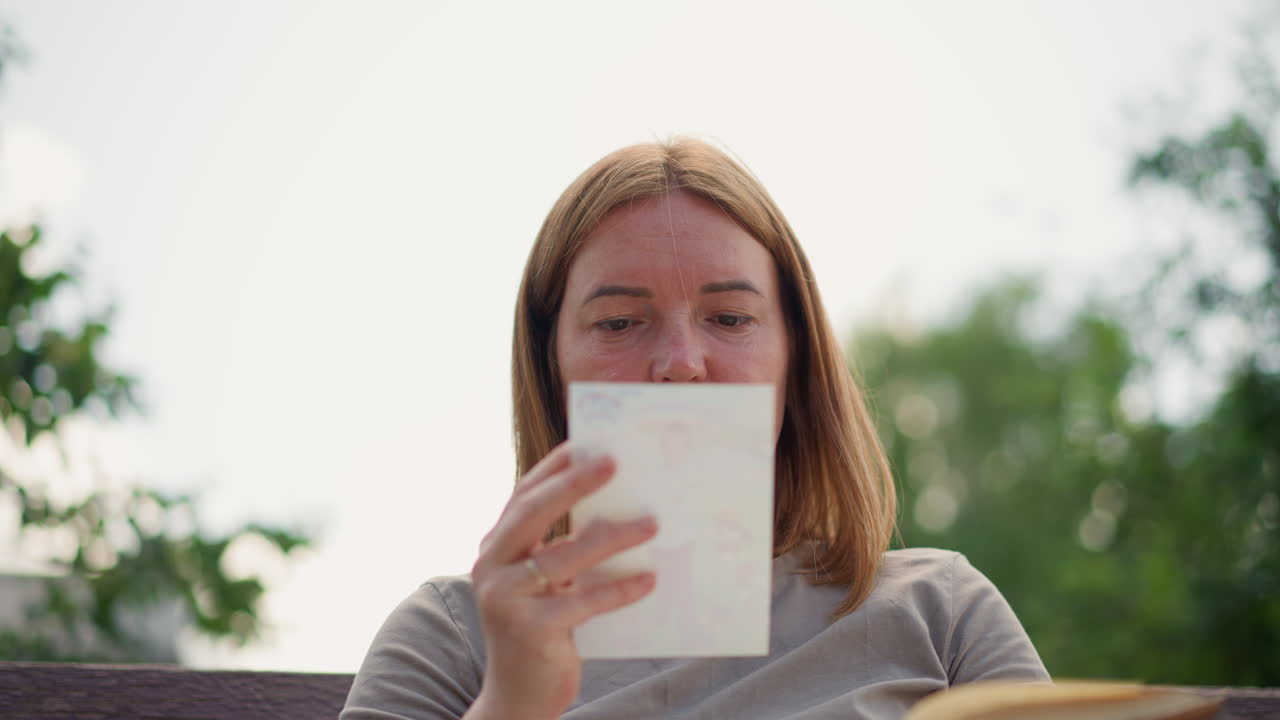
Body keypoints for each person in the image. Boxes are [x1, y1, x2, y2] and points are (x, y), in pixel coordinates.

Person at [341, 138, 1049, 720]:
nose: (680, 365)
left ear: (794, 359)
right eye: (618, 322)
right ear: (549, 363)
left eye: (731, 318)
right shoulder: (455, 638)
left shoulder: (940, 610)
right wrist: (512, 705)